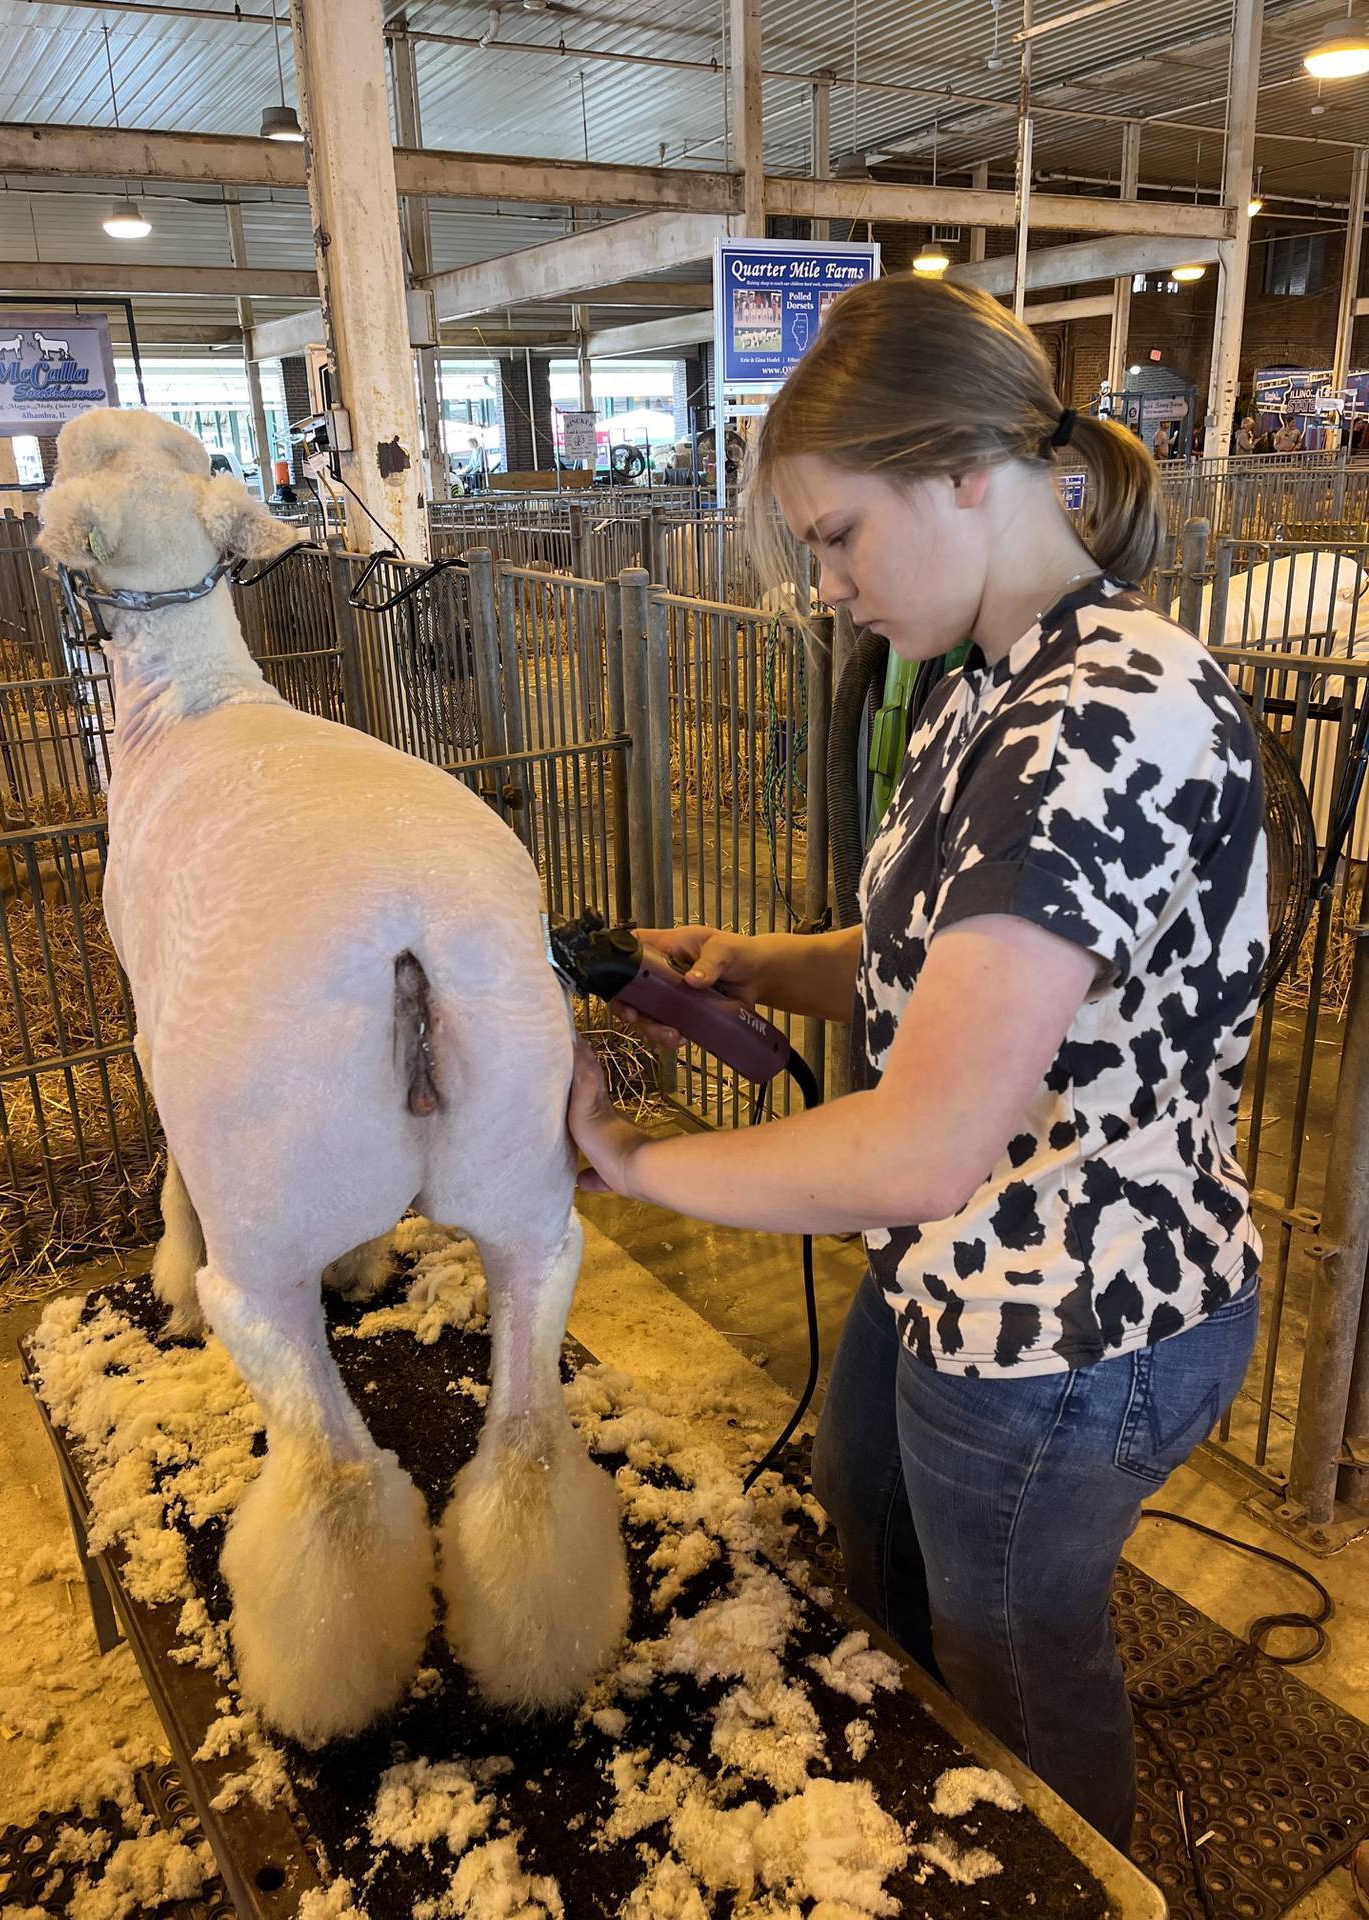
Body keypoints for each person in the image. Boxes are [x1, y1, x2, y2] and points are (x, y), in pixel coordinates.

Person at [567, 273, 1267, 1853]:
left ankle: (1064, 1876)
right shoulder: (989, 686)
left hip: (1072, 1311)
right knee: (868, 1522)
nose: (824, 585)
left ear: (969, 472)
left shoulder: (1096, 724)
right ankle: (917, 1826)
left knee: (1013, 1655)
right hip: (958, 1261)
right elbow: (945, 975)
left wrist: (630, 1164)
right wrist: (757, 963)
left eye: (837, 535)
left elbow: (922, 1140)